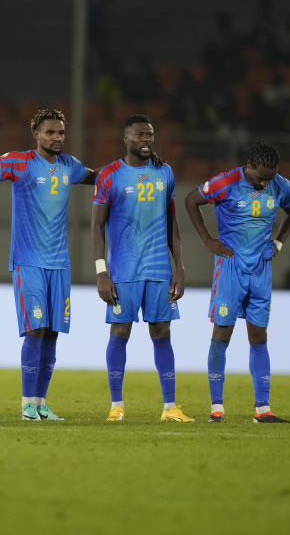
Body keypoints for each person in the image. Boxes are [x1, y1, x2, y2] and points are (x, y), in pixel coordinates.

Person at [0, 108, 96, 421]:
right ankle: (26, 405)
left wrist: (137, 167)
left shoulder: (69, 166)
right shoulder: (19, 162)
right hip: (29, 262)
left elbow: (98, 177)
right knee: (35, 331)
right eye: (50, 132)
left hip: (59, 264)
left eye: (61, 132)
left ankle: (41, 402)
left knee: (51, 334)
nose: (57, 138)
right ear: (36, 134)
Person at [185, 141, 290, 423]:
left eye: (270, 178)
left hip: (261, 269)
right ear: (248, 166)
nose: (265, 183)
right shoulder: (226, 182)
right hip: (230, 268)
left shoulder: (281, 185)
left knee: (259, 336)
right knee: (222, 333)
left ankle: (263, 409)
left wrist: (279, 243)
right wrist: (208, 240)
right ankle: (216, 407)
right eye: (261, 176)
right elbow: (191, 201)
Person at [91, 115, 194, 423]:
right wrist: (101, 271)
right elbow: (97, 227)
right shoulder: (110, 175)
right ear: (126, 140)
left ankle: (170, 407)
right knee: (120, 331)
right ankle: (117, 406)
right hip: (123, 270)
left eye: (150, 135)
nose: (146, 139)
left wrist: (181, 268)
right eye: (140, 135)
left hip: (160, 269)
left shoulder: (165, 172)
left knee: (162, 332)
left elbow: (172, 223)